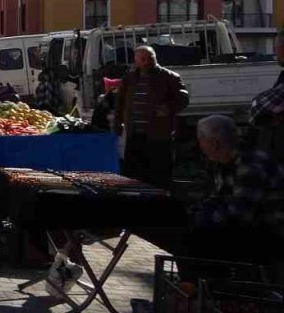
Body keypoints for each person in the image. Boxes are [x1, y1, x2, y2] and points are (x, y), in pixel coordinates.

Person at [186, 115, 284, 264]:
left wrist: (202, 219)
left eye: (201, 139)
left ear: (215, 143)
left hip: (272, 232)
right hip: (253, 228)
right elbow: (219, 198)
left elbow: (241, 213)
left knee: (199, 239)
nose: (200, 145)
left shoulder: (250, 164)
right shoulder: (224, 163)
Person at [114, 45, 189, 190]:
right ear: (136, 61)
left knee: (159, 174)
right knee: (134, 174)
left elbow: (183, 99)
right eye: (143, 59)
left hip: (158, 135)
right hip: (134, 134)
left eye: (150, 58)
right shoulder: (129, 78)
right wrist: (118, 125)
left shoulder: (169, 77)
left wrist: (168, 108)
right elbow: (120, 103)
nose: (147, 62)